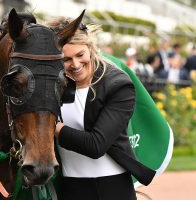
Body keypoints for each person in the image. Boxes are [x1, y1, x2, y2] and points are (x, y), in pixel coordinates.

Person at [46, 17, 155, 200]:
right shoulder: (54, 85)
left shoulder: (118, 85)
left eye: (80, 55)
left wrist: (53, 127)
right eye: (66, 59)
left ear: (90, 47)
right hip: (70, 188)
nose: (75, 64)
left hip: (111, 188)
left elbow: (96, 145)